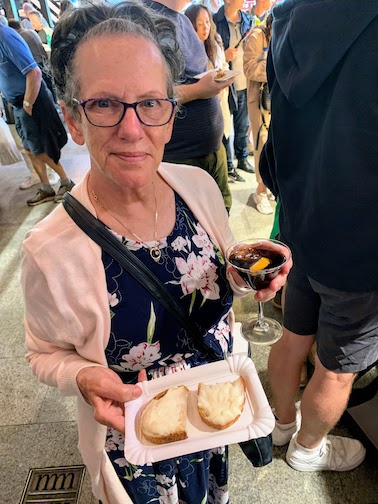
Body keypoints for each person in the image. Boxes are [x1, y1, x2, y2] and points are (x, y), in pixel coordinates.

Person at [21, 2, 290, 502]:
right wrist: (80, 375)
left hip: (213, 416)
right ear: (73, 120)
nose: (131, 129)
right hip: (137, 447)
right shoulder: (50, 251)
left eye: (150, 102)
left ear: (170, 114)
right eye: (103, 104)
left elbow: (214, 271)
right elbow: (43, 352)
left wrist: (246, 273)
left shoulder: (197, 186)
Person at [260, 0, 378, 472]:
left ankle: (281, 425)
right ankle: (307, 451)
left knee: (292, 336)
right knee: (337, 366)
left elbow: (274, 152)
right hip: (361, 247)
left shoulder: (291, 17)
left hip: (299, 228)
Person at [144, 0, 234, 213]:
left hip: (211, 149)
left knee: (220, 218)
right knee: (189, 229)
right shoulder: (142, 18)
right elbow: (145, 96)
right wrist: (200, 90)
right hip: (179, 156)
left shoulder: (182, 19)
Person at [0, 22, 72, 205]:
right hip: (18, 103)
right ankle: (46, 188)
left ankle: (66, 182)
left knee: (39, 149)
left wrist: (27, 104)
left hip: (31, 100)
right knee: (30, 149)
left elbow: (34, 72)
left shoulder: (5, 36)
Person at [185, 3, 242, 183]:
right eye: (199, 23)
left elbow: (223, 65)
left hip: (220, 102)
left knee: (225, 138)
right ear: (189, 25)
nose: (205, 27)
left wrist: (224, 74)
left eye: (207, 22)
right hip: (198, 112)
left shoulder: (215, 42)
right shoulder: (186, 49)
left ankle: (229, 170)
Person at [213, 0, 254, 176]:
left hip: (244, 81)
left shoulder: (248, 20)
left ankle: (242, 158)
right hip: (226, 84)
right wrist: (225, 55)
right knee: (225, 125)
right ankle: (229, 165)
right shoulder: (215, 21)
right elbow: (211, 51)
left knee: (243, 125)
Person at [243, 14, 274, 214]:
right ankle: (260, 190)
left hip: (275, 100)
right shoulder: (256, 36)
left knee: (273, 143)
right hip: (259, 100)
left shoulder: (278, 35)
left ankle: (269, 183)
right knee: (261, 143)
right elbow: (248, 68)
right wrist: (273, 64)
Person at [8, 18, 57, 101]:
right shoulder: (30, 31)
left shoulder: (20, 37)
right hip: (44, 61)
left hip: (36, 64)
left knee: (44, 91)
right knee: (50, 88)